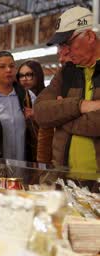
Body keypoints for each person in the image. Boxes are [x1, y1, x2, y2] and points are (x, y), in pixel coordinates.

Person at [34, 6, 100, 177]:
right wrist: (81, 106)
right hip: (65, 180)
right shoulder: (65, 74)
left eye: (66, 43)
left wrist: (61, 119)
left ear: (90, 36)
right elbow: (40, 112)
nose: (62, 52)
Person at [0, 51, 36, 161]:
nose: (8, 70)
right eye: (2, 67)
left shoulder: (27, 97)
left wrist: (35, 116)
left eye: (12, 66)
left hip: (24, 164)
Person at [17, 60, 46, 161]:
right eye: (21, 76)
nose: (24, 79)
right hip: (25, 148)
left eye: (29, 75)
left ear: (38, 75)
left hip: (44, 148)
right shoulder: (18, 98)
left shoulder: (48, 96)